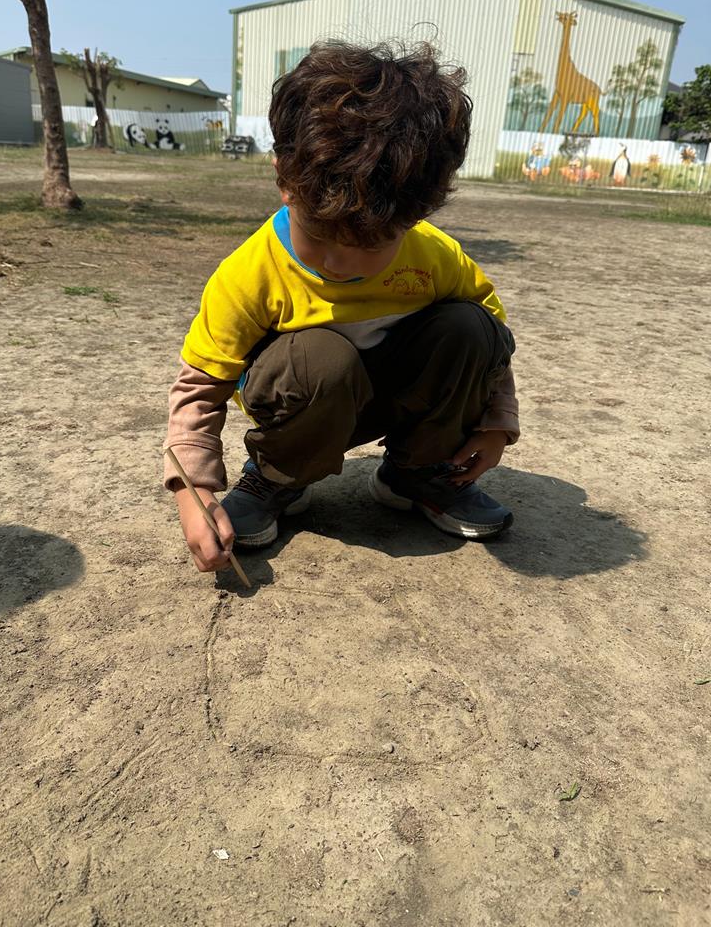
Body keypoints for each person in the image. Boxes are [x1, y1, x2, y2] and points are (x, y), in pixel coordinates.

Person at [164, 41, 519, 573]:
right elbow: (200, 387)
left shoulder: (435, 257)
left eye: (373, 245)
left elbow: (491, 346)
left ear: (419, 213)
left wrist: (496, 422)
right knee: (320, 358)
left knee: (471, 326)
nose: (339, 264)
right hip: (306, 406)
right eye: (320, 237)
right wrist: (192, 491)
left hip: (401, 397)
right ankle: (279, 478)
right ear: (284, 179)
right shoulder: (249, 273)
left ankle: (418, 473)